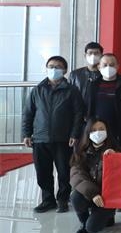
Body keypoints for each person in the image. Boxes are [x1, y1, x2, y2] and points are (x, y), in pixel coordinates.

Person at [22, 56, 84, 213]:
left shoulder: (72, 91)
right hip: (40, 138)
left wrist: (75, 134)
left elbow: (78, 114)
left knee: (64, 172)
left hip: (63, 139)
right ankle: (47, 199)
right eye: (51, 66)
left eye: (58, 66)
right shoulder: (37, 90)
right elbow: (28, 113)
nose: (54, 69)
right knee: (42, 172)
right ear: (46, 68)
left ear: (65, 70)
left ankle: (63, 199)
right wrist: (26, 133)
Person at [70, 117, 121, 233]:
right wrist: (93, 194)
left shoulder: (115, 150)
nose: (98, 132)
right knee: (75, 196)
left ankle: (108, 215)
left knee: (93, 227)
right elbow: (77, 175)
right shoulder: (80, 151)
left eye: (101, 129)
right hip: (91, 194)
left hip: (108, 197)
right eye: (93, 130)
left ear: (107, 131)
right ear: (88, 133)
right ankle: (83, 222)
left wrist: (116, 157)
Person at [84, 53, 121, 151]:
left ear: (117, 66)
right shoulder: (93, 85)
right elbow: (89, 107)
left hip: (120, 130)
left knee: (120, 155)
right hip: (99, 130)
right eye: (105, 65)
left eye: (112, 65)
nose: (108, 67)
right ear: (99, 67)